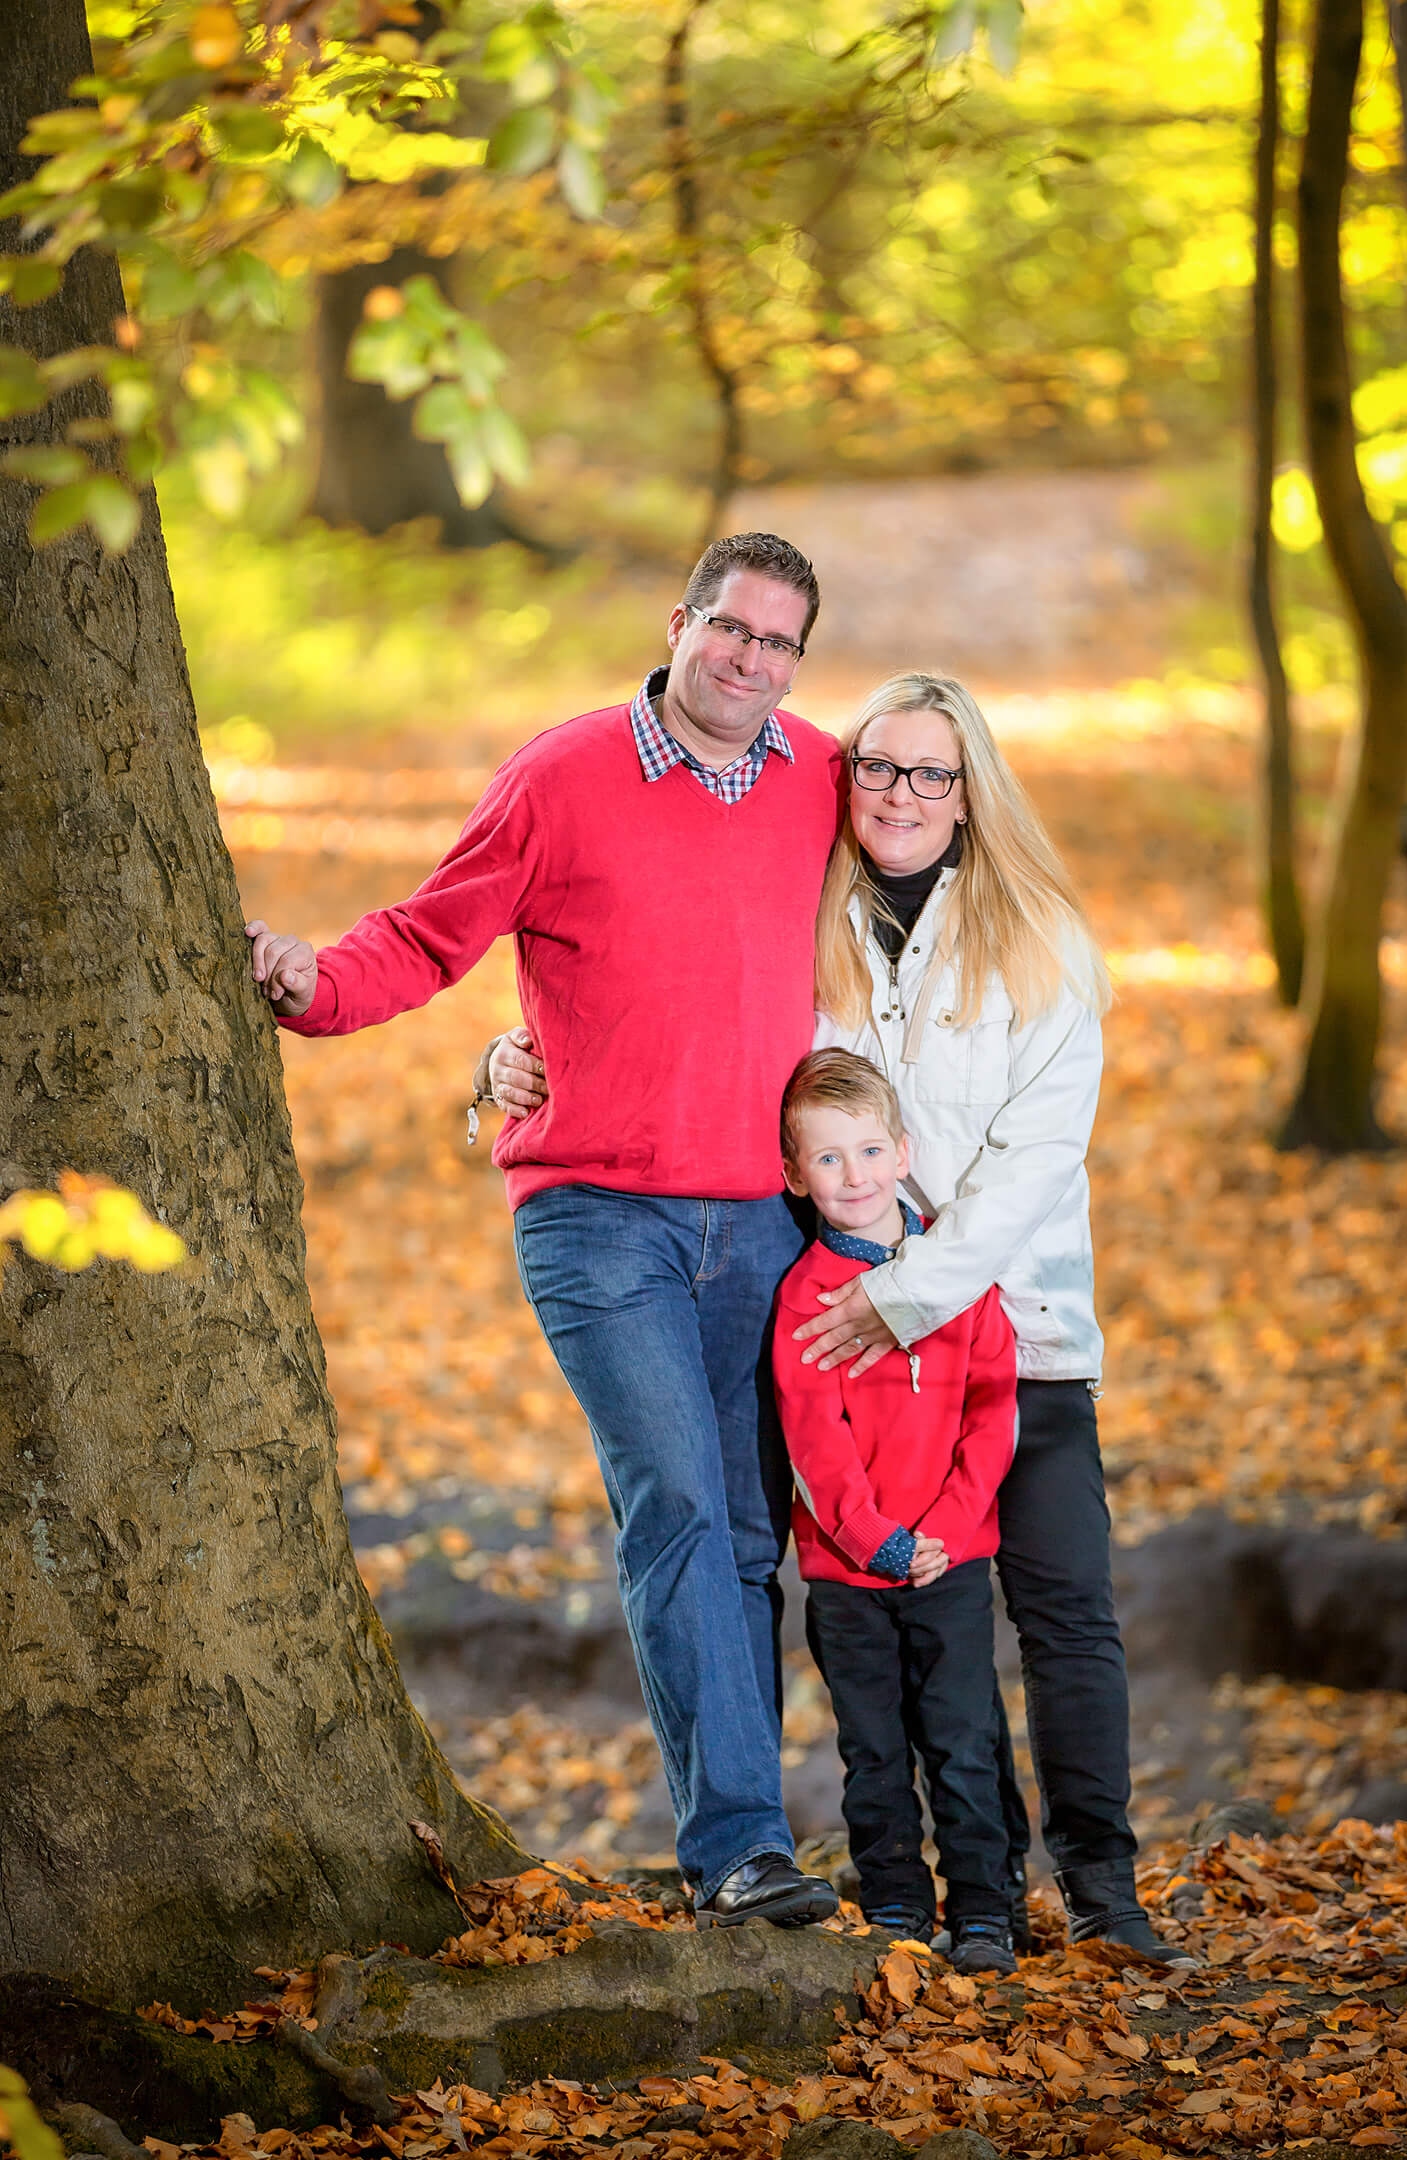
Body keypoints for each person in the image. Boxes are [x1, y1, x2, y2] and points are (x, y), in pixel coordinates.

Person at [491, 667, 1195, 1968]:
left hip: (1010, 1335)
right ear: (846, 778)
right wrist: (506, 1059)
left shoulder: (1044, 944)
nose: (904, 794)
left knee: (1061, 1606)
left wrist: (904, 1294)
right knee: (860, 1616)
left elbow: (1035, 1164)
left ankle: (1102, 1885)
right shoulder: (799, 918)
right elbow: (666, 1013)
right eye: (879, 766)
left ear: (972, 793)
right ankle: (888, 1882)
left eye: (935, 773)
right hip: (843, 1361)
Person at [244, 531, 844, 1929]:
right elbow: (431, 930)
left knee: (753, 1534)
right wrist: (313, 984)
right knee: (682, 1509)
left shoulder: (819, 773)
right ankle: (743, 1848)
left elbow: (920, 886)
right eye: (731, 629)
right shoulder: (564, 773)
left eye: (778, 643)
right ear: (680, 620)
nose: (750, 661)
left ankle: (752, 1845)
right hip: (598, 1216)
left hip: (762, 1215)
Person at [774, 1048, 1020, 1974]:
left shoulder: (956, 1275)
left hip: (950, 1569)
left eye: (871, 1152)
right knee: (874, 1755)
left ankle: (986, 1912)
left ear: (904, 1150)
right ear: (795, 1174)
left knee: (961, 1742)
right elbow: (816, 1443)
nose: (855, 1176)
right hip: (850, 1578)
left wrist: (945, 1536)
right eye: (829, 1160)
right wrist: (878, 1542)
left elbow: (993, 1413)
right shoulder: (804, 1297)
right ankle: (895, 1911)